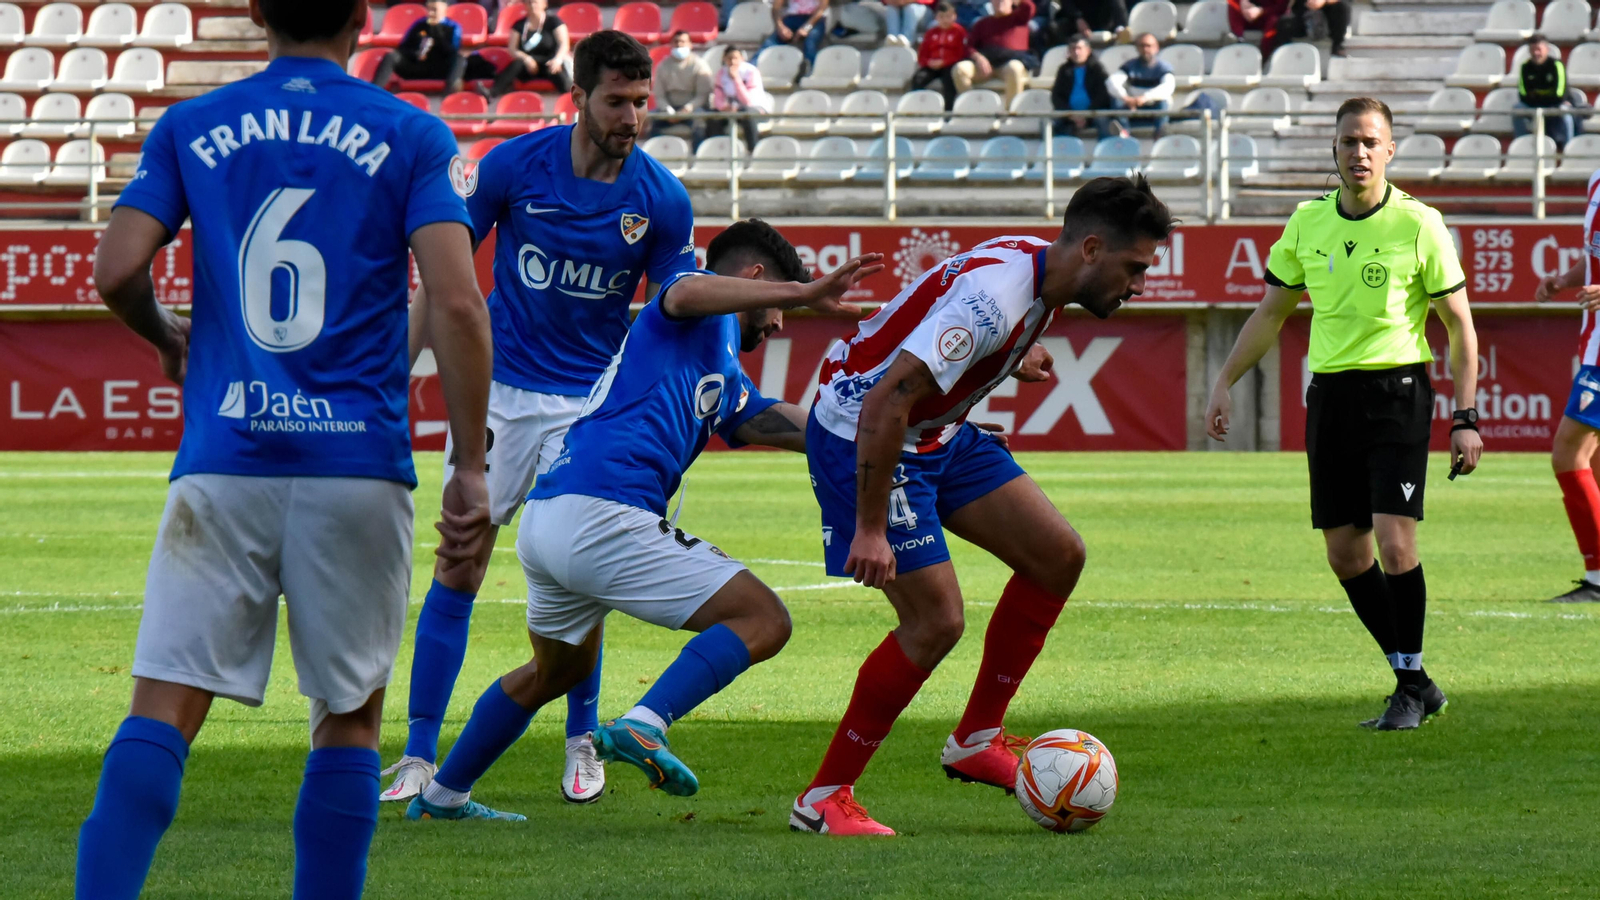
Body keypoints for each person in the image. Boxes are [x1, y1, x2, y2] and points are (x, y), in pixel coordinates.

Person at [75, 0, 493, 896]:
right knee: (348, 717)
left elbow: (114, 270)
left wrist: (163, 333)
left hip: (226, 457)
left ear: (258, 11)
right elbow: (458, 304)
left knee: (162, 708)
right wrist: (469, 466)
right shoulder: (413, 133)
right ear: (365, 12)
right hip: (358, 468)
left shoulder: (192, 122)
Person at [405, 224, 884, 822]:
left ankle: (443, 797)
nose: (783, 323)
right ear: (756, 279)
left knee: (553, 672)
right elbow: (682, 294)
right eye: (779, 304)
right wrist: (801, 292)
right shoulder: (693, 302)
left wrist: (894, 440)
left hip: (552, 517)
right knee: (764, 618)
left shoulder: (722, 362)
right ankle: (645, 724)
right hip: (603, 512)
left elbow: (770, 421)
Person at [789, 176, 1173, 837]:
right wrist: (872, 527)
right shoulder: (994, 301)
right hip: (869, 433)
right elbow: (886, 402)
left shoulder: (1036, 269)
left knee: (1057, 555)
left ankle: (976, 740)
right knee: (935, 620)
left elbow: (938, 332)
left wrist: (1010, 358)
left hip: (935, 430)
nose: (1138, 284)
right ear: (1090, 248)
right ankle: (824, 797)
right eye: (1133, 268)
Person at [382, 30, 697, 808]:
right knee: (460, 559)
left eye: (640, 102)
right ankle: (420, 755)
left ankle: (582, 739)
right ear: (579, 100)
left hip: (595, 407)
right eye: (617, 101)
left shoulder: (661, 198)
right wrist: (393, 371)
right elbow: (444, 275)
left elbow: (678, 312)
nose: (631, 116)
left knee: (582, 577)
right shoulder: (515, 167)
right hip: (505, 396)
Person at [1204, 97, 1483, 731]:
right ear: (1333, 150)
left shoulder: (1420, 223)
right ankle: (1415, 681)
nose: (1359, 153)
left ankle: (1407, 691)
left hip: (1398, 393)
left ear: (1389, 151)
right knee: (1345, 555)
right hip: (1330, 397)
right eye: (1348, 142)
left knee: (1394, 541)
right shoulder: (1306, 223)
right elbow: (1270, 312)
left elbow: (1459, 327)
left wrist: (1466, 416)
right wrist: (1224, 380)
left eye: (1370, 142)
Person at [1532, 173, 1600, 603]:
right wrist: (1563, 280)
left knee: (1568, 453)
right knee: (1593, 465)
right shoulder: (1596, 181)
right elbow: (1594, 261)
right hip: (1593, 341)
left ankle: (1597, 578)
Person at [372, 0, 468, 95]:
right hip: (417, 67)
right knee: (391, 56)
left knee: (460, 59)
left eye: (434, 10)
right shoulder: (419, 24)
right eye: (429, 9)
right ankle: (374, 91)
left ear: (444, 9)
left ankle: (450, 95)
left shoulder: (453, 27)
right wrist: (415, 53)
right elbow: (403, 48)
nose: (431, 13)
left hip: (438, 69)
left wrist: (436, 29)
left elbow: (453, 51)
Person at [953, 0, 1037, 107]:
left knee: (1014, 68)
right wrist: (979, 58)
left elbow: (1030, 8)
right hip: (986, 65)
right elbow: (969, 47)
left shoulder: (1019, 18)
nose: (1000, 3)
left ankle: (1011, 112)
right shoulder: (982, 23)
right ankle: (972, 108)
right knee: (959, 69)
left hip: (1008, 65)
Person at [493, 0, 572, 96]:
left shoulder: (554, 21)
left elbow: (564, 44)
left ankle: (572, 100)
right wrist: (526, 58)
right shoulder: (519, 25)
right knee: (516, 64)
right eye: (529, 3)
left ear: (544, 4)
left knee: (559, 73)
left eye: (535, 2)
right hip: (528, 65)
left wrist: (557, 59)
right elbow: (512, 49)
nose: (532, 5)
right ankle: (491, 93)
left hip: (549, 62)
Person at [1049, 33, 1118, 138]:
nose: (1076, 52)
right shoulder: (1063, 70)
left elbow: (1102, 95)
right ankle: (1058, 152)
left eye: (1079, 48)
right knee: (1049, 123)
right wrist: (1070, 114)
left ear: (1088, 50)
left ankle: (1106, 151)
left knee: (1103, 121)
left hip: (1093, 113)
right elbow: (1056, 96)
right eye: (1073, 49)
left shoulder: (1097, 68)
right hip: (1069, 114)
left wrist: (1087, 115)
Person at [652, 30, 713, 146]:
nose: (679, 44)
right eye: (676, 42)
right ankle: (653, 158)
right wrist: (668, 110)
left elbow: (702, 95)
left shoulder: (699, 65)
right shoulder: (662, 66)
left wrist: (687, 109)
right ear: (671, 44)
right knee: (652, 119)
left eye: (683, 42)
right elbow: (659, 95)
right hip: (669, 109)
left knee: (700, 124)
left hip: (693, 109)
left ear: (690, 44)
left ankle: (696, 157)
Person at [1108, 32, 1175, 137]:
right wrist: (1125, 98)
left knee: (1163, 103)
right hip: (1133, 105)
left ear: (1156, 48)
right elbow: (1112, 82)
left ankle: (1160, 134)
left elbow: (1168, 87)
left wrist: (1145, 97)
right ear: (1137, 48)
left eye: (1149, 46)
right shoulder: (1129, 66)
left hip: (1153, 105)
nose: (1145, 49)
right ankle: (1124, 134)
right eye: (1142, 46)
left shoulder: (1163, 67)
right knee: (1117, 100)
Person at [1515, 34, 1574, 150]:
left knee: (1565, 113)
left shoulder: (1557, 65)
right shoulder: (1525, 67)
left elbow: (1560, 94)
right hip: (1534, 106)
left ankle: (1569, 149)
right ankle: (1521, 146)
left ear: (1546, 50)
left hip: (1555, 105)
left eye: (1539, 49)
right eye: (1532, 50)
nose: (1536, 53)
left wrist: (1537, 97)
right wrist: (1540, 99)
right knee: (1517, 109)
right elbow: (1522, 94)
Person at [910, 1, 968, 110]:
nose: (945, 20)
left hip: (950, 64)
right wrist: (928, 62)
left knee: (949, 81)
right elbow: (922, 53)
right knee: (918, 78)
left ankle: (948, 112)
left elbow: (961, 53)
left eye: (948, 16)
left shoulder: (959, 32)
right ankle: (916, 108)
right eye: (941, 17)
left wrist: (945, 61)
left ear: (954, 16)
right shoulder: (931, 33)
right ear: (936, 17)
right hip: (932, 65)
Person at [712, 47, 772, 151]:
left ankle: (753, 151)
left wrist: (736, 79)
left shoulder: (751, 72)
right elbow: (718, 98)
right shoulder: (721, 73)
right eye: (729, 58)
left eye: (736, 58)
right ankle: (717, 151)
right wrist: (724, 107)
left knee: (746, 114)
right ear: (724, 59)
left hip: (756, 110)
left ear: (742, 59)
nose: (732, 62)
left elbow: (748, 101)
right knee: (713, 117)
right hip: (731, 111)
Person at [761, 0, 829, 68]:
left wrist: (807, 27)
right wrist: (780, 27)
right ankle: (754, 67)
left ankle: (809, 70)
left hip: (814, 19)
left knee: (810, 42)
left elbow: (821, 9)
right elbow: (776, 8)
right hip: (793, 17)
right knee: (770, 42)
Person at [1055, 0, 1129, 42]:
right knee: (1054, 28)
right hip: (1077, 19)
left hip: (1102, 20)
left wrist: (1121, 25)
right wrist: (1077, 18)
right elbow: (1067, 3)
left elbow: (1118, 5)